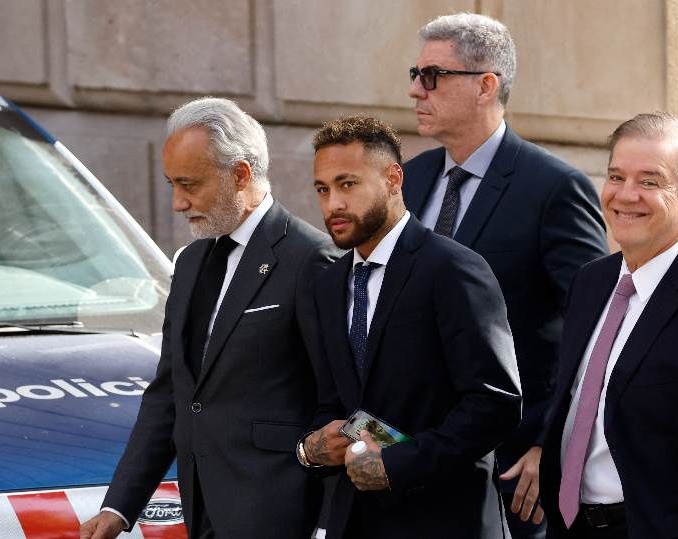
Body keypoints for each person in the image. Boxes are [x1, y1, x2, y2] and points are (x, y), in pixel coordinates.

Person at [79, 97, 337, 539]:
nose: (178, 203)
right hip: (201, 512)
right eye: (171, 184)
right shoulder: (190, 262)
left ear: (241, 175)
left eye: (189, 184)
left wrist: (326, 525)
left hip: (282, 517)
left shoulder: (311, 259)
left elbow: (338, 401)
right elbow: (171, 392)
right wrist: (119, 506)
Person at [401, 13, 609, 537]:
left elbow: (595, 324)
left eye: (431, 76)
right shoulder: (413, 177)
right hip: (413, 457)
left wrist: (551, 444)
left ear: (485, 85)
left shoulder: (554, 188)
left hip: (513, 468)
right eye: (415, 74)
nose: (415, 90)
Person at [301, 114, 522, 538]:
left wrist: (398, 464)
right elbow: (333, 403)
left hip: (448, 521)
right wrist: (311, 448)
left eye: (348, 184)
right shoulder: (328, 283)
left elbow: (494, 404)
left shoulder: (453, 268)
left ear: (393, 179)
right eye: (323, 190)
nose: (333, 205)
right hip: (355, 520)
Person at [539, 112, 678, 538]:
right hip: (569, 525)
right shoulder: (591, 282)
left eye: (649, 181)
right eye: (616, 176)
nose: (625, 195)